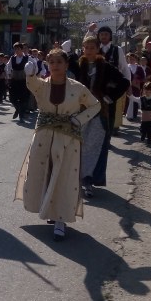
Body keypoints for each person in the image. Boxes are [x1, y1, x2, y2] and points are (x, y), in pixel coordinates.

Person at [16, 48, 101, 241]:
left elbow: (95, 105)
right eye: (51, 62)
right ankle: (48, 208)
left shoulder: (77, 88)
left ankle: (60, 219)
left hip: (68, 138)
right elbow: (32, 84)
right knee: (44, 173)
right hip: (43, 137)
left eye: (59, 62)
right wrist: (30, 74)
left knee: (64, 176)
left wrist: (79, 120)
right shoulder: (42, 85)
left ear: (66, 65)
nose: (55, 65)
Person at [73, 34, 129, 197]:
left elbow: (124, 82)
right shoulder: (78, 65)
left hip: (99, 111)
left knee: (94, 145)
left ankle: (88, 179)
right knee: (78, 144)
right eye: (86, 47)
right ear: (82, 49)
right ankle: (75, 177)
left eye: (92, 48)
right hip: (80, 111)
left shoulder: (105, 66)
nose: (89, 51)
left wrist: (109, 97)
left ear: (98, 49)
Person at [97, 26, 130, 132]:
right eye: (101, 34)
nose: (104, 36)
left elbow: (124, 67)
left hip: (112, 87)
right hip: (98, 85)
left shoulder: (117, 49)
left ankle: (110, 131)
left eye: (106, 34)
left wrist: (128, 84)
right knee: (97, 110)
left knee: (111, 109)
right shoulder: (95, 48)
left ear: (110, 36)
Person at [6, 42, 30, 120]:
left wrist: (30, 75)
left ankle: (21, 115)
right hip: (14, 80)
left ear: (22, 49)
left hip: (23, 81)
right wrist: (9, 75)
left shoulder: (27, 58)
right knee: (12, 98)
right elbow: (8, 67)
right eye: (15, 49)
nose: (16, 51)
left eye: (18, 49)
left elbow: (34, 67)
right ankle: (18, 109)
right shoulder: (12, 58)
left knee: (23, 99)